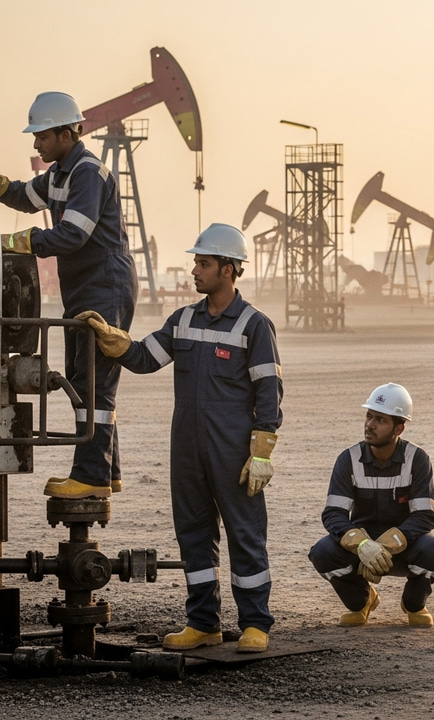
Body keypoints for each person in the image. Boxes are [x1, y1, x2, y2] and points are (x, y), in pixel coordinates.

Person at [76, 223, 283, 654]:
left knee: (245, 533)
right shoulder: (183, 320)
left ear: (228, 269)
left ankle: (255, 623)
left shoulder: (253, 325)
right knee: (192, 532)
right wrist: (113, 340)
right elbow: (144, 358)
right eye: (196, 262)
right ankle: (203, 622)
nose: (195, 270)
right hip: (186, 444)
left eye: (203, 263)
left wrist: (262, 449)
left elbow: (269, 389)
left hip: (232, 447)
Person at [0, 91, 137, 499]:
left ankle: (92, 476)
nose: (36, 144)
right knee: (85, 378)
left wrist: (18, 241)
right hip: (86, 288)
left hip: (105, 286)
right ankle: (105, 471)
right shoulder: (61, 172)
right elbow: (27, 196)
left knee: (95, 382)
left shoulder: (87, 173)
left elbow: (74, 233)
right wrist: (4, 187)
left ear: (66, 133)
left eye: (41, 136)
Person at [309, 383, 434, 627]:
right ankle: (362, 601)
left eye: (380, 420)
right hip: (360, 549)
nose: (369, 425)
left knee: (433, 551)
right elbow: (333, 514)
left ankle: (414, 604)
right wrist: (362, 545)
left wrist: (387, 544)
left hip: (405, 547)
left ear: (399, 427)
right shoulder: (348, 459)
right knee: (322, 552)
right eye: (369, 416)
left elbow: (425, 516)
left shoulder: (417, 459)